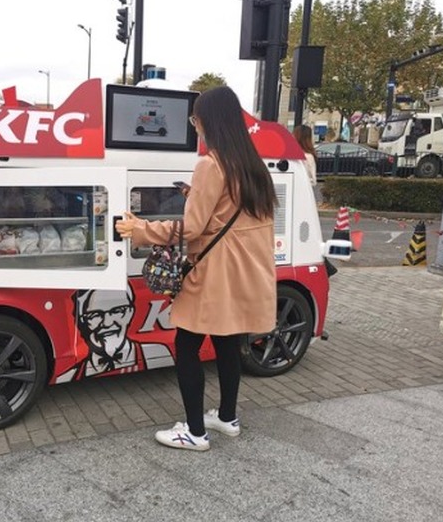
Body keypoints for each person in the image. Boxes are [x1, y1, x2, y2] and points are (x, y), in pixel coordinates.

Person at [115, 86, 277, 451]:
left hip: (213, 276)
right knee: (228, 344)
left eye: (195, 118)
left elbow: (191, 230)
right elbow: (231, 218)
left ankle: (194, 432)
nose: (195, 125)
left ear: (208, 121)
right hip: (244, 275)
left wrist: (139, 229)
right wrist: (196, 196)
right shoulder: (253, 165)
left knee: (186, 346)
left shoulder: (210, 163)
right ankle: (227, 417)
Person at [54, 285, 173, 382]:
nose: (107, 323)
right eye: (95, 315)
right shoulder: (71, 373)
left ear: (131, 312)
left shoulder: (160, 350)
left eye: (117, 311)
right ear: (81, 321)